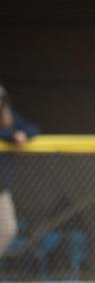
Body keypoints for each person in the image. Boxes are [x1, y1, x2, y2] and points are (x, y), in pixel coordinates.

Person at [0, 81, 40, 257]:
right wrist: (11, 136)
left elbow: (34, 129)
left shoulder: (9, 118)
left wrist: (22, 134)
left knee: (8, 229)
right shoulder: (7, 128)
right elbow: (7, 135)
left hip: (2, 188)